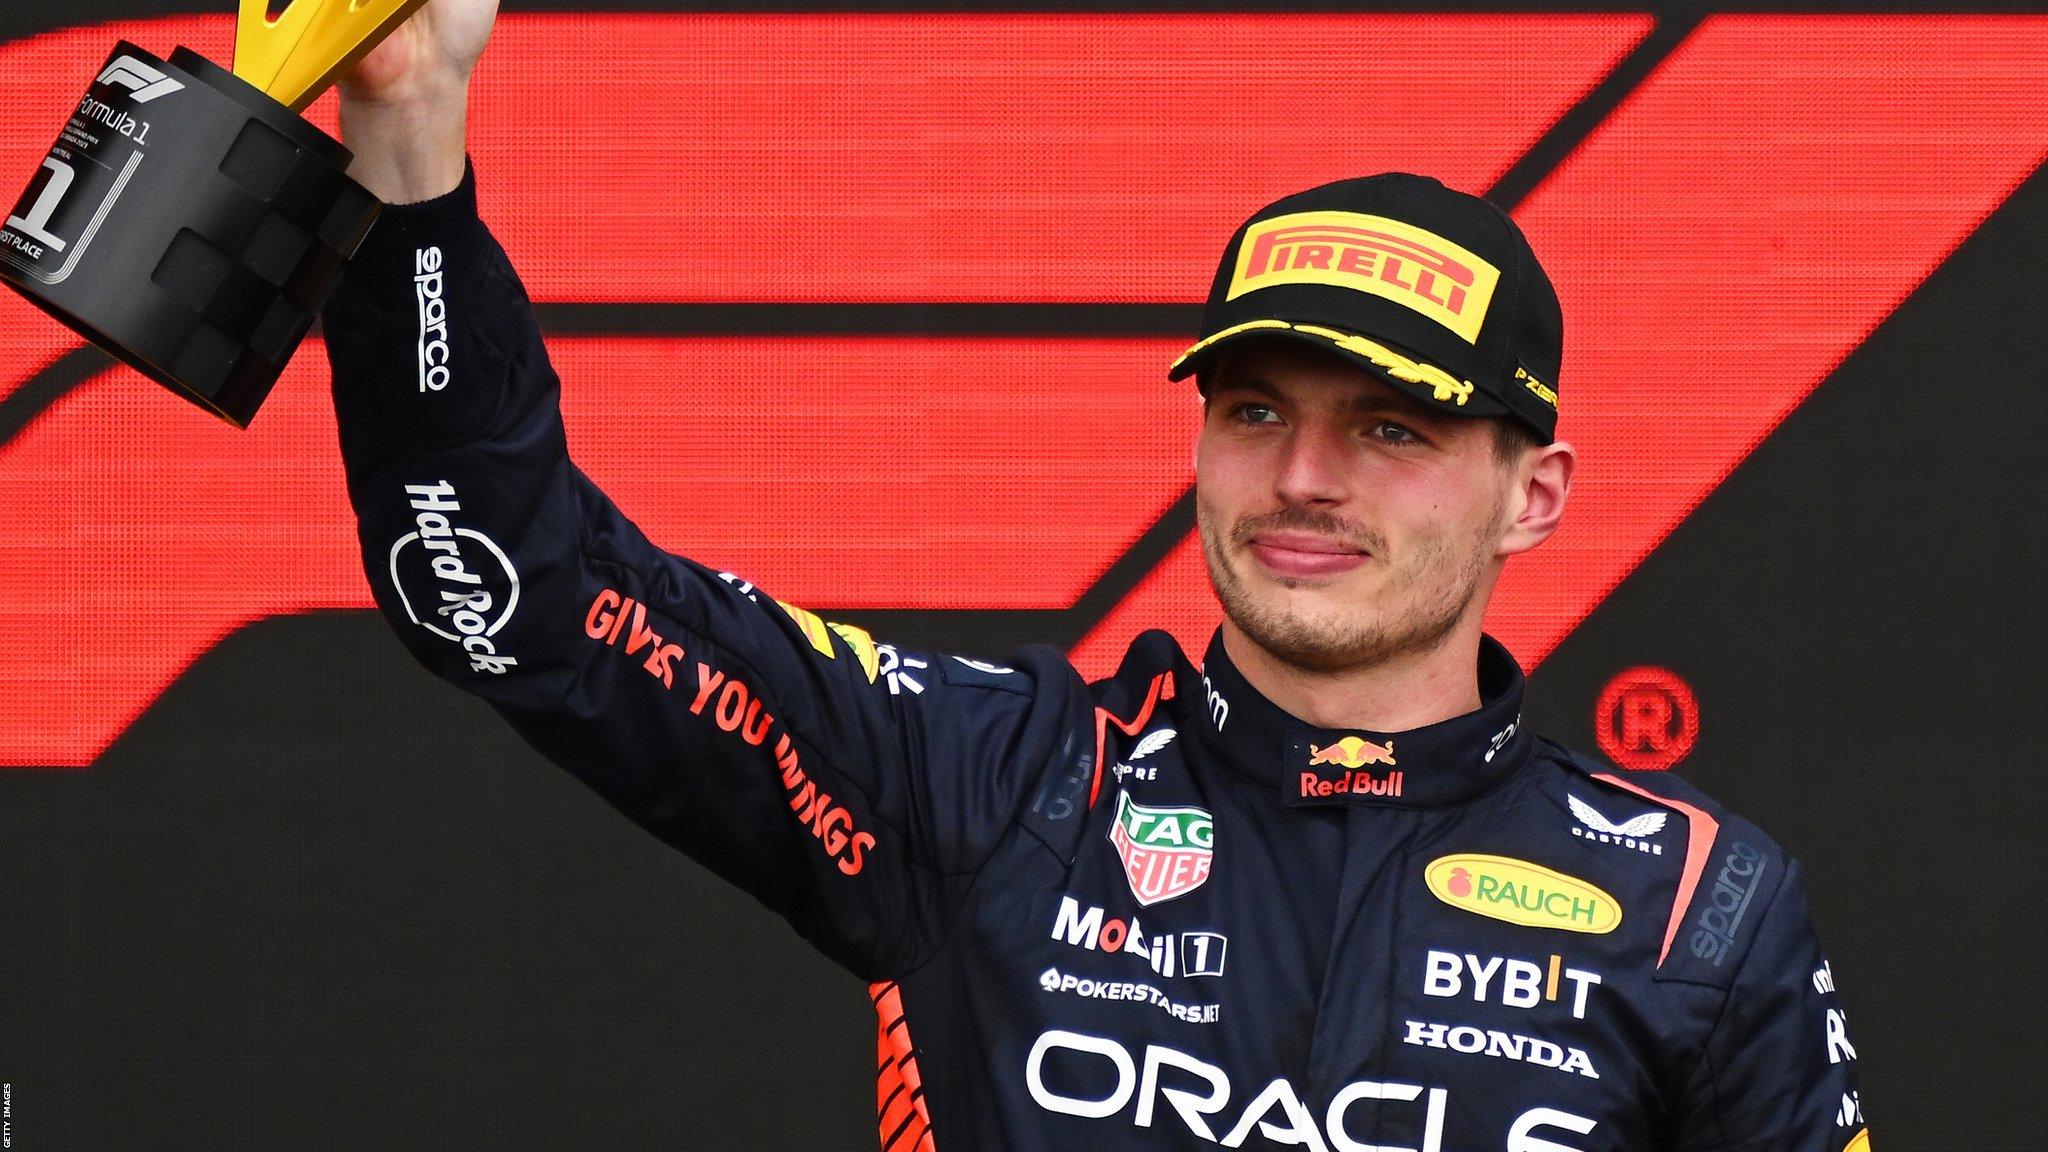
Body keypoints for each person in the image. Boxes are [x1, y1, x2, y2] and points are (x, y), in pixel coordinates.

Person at [326, 4, 1871, 1149]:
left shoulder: (1695, 908)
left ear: (1534, 496)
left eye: (1390, 428)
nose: (1305, 478)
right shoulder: (993, 779)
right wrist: (408, 141)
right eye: (1256, 411)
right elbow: (504, 589)